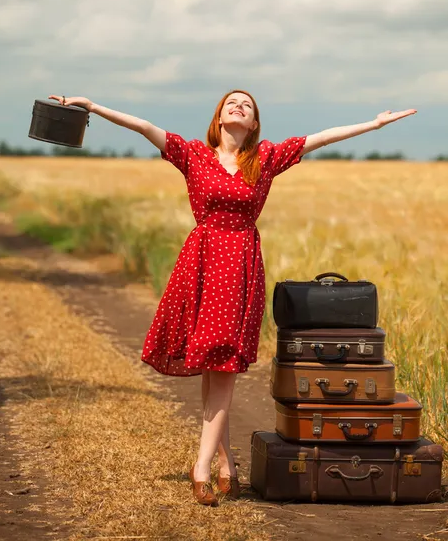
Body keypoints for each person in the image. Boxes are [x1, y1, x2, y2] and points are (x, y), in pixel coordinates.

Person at [48, 91, 416, 506]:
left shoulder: (265, 158)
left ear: (254, 123)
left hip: (240, 265)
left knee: (222, 367)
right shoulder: (193, 155)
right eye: (231, 103)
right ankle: (225, 464)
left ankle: (201, 466)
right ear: (219, 117)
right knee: (211, 366)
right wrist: (93, 108)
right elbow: (143, 126)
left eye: (248, 105)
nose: (239, 106)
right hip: (201, 263)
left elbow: (322, 138)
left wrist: (374, 124)